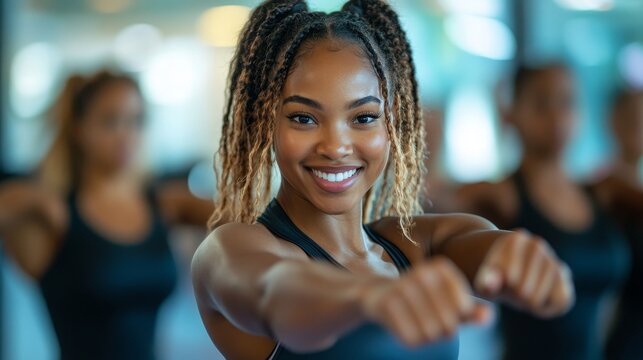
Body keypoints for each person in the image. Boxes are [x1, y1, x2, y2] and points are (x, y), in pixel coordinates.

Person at [191, 2, 575, 359]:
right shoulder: (230, 251)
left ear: (392, 125)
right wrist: (366, 296)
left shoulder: (414, 246)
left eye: (363, 118)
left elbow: (480, 244)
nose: (336, 146)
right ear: (266, 125)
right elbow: (277, 290)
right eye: (303, 118)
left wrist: (522, 257)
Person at [0, 70, 212, 360]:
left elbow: (247, 217)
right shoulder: (56, 212)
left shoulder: (163, 204)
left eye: (136, 121)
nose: (126, 135)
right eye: (111, 121)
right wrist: (31, 194)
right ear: (79, 128)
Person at [457, 64, 632, 360]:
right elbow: (433, 199)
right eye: (541, 102)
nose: (556, 116)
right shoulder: (502, 195)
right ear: (511, 113)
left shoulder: (602, 192)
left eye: (567, 102)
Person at [600, 89, 643, 360]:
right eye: (631, 117)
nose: (638, 125)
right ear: (613, 121)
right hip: (619, 333)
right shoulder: (603, 190)